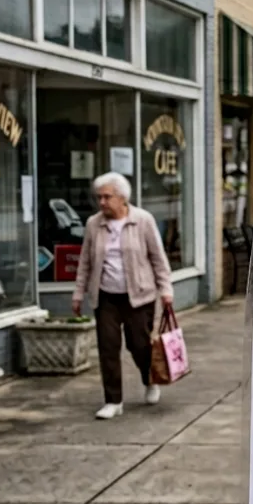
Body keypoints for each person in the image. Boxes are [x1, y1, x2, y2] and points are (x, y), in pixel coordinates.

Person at [72, 172, 175, 420]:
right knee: (108, 347)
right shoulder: (93, 225)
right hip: (106, 295)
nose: (102, 202)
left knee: (138, 345)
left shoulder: (143, 220)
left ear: (122, 198)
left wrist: (166, 290)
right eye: (99, 198)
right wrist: (78, 293)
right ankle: (113, 400)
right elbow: (85, 262)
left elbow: (158, 259)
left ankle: (149, 380)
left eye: (107, 197)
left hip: (139, 295)